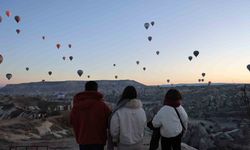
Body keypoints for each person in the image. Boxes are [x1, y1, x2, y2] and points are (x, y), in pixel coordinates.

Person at [70, 81, 111, 150]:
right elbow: (110, 121)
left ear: (85, 89)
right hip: (98, 140)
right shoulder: (102, 106)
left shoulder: (76, 106)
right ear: (96, 89)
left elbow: (72, 121)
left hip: (82, 139)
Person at [109, 86, 147, 150]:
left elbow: (114, 131)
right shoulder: (142, 111)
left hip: (123, 144)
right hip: (138, 143)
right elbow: (144, 126)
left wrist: (116, 139)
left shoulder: (118, 111)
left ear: (123, 95)